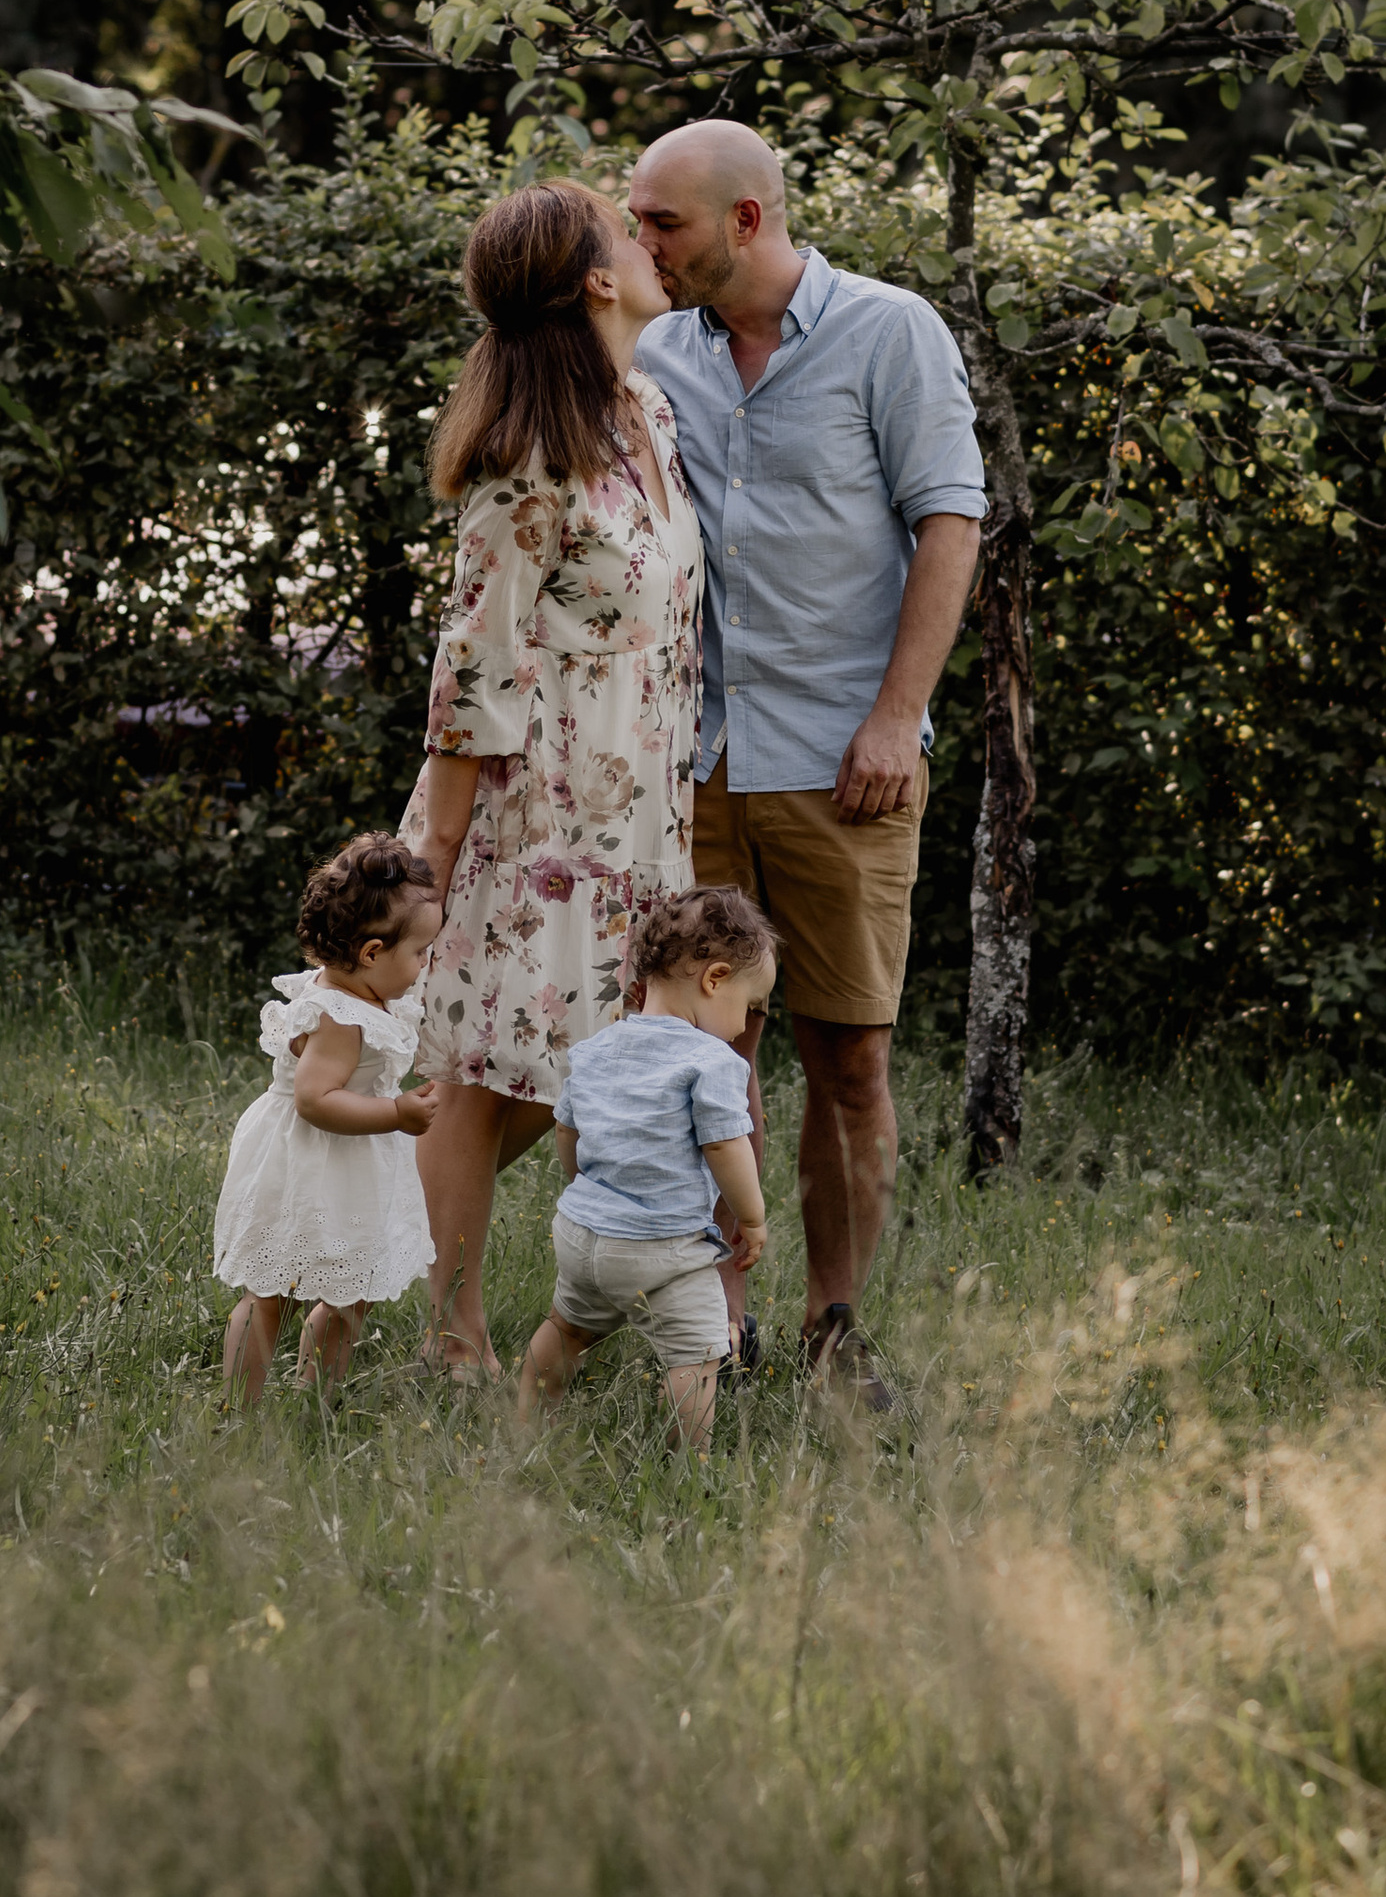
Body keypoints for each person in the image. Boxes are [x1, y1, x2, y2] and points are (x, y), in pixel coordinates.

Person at [627, 120, 983, 1408]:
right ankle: (721, 1329)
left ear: (747, 220)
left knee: (848, 1061)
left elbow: (949, 520)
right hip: (697, 765)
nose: (642, 243)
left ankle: (836, 1322)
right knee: (703, 1058)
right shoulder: (657, 353)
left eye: (661, 222)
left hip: (846, 764)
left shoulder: (892, 332)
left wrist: (898, 715)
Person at [402, 177, 704, 1379]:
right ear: (592, 277)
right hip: (530, 825)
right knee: (484, 1078)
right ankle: (450, 1335)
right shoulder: (526, 458)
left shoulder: (649, 414)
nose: (646, 245)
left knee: (563, 1065)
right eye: (627, 233)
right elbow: (469, 673)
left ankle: (384, 1227)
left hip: (636, 815)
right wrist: (430, 864)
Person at [519, 883, 774, 1454]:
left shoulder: (596, 1048)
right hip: (663, 1248)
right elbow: (726, 1146)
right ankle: (688, 1464)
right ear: (714, 979)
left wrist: (583, 1189)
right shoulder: (713, 1060)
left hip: (581, 1234)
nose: (745, 1022)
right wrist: (751, 1219)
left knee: (567, 1329)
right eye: (749, 1004)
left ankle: (525, 1430)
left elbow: (568, 1131)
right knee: (698, 1355)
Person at [213, 834, 443, 1405]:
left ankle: (319, 1398)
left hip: (347, 1166)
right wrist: (395, 1112)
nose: (423, 966)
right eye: (419, 954)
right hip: (312, 1164)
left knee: (352, 1289)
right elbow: (315, 1099)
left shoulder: (358, 993)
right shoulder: (340, 1016)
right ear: (371, 954)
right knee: (274, 1293)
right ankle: (241, 1411)